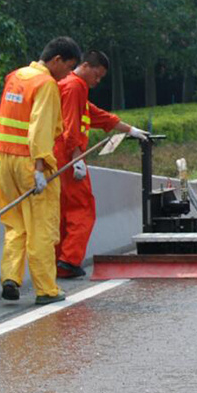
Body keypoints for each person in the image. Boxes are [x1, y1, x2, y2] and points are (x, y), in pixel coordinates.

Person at [0, 36, 82, 304]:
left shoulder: (16, 76)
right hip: (30, 163)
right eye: (68, 67)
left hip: (3, 162)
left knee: (15, 223)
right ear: (57, 60)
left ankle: (11, 276)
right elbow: (40, 129)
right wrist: (39, 168)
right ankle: (46, 289)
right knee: (42, 227)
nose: (68, 74)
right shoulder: (46, 85)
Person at [54, 50, 149, 278]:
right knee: (82, 209)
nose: (97, 81)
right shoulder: (75, 86)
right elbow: (71, 126)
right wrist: (77, 158)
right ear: (85, 66)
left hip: (59, 156)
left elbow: (96, 115)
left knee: (63, 211)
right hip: (68, 157)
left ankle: (59, 261)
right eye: (97, 75)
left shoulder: (70, 87)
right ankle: (68, 261)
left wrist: (130, 129)